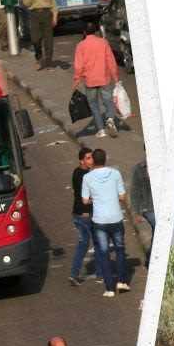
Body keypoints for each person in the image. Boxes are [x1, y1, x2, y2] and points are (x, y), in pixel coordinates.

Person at [81, 149, 129, 297]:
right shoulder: (115, 174)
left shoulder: (88, 177)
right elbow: (122, 197)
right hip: (115, 217)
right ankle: (121, 281)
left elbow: (84, 200)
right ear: (105, 159)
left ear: (93, 161)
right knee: (120, 249)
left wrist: (94, 199)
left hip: (99, 220)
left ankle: (109, 289)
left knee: (104, 253)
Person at [72, 18, 121, 139]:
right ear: (95, 31)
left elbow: (79, 66)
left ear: (84, 32)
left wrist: (76, 82)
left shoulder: (81, 46)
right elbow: (111, 61)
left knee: (94, 105)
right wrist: (115, 78)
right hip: (104, 78)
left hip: (90, 81)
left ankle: (101, 130)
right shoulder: (103, 42)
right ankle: (110, 118)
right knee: (108, 101)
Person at [66, 148, 96, 287]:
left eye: (92, 157)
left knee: (83, 244)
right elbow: (86, 198)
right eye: (88, 158)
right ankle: (102, 274)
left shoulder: (76, 172)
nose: (92, 160)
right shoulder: (87, 176)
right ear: (82, 160)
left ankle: (74, 274)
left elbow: (74, 192)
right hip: (85, 215)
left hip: (76, 214)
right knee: (99, 243)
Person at [23, 0, 56, 69]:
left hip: (46, 13)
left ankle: (49, 63)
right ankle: (39, 57)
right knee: (35, 39)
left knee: (48, 40)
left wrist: (55, 15)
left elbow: (53, 1)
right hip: (34, 14)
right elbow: (26, 3)